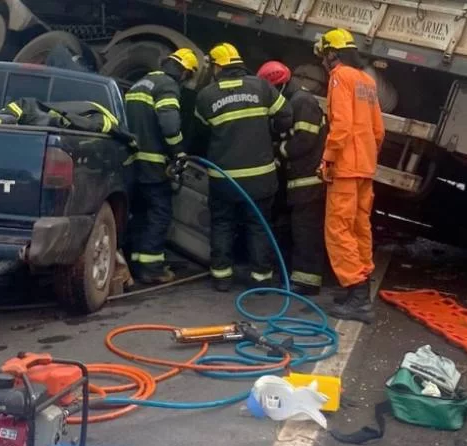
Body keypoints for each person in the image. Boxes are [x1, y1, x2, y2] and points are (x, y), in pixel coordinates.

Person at [194, 43, 293, 292]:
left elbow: (198, 135)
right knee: (258, 225)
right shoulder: (261, 87)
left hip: (224, 178)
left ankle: (222, 277)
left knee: (223, 223)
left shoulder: (207, 96)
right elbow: (286, 115)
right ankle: (261, 277)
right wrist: (269, 133)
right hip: (261, 177)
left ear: (218, 67)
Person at [315, 28, 385, 323]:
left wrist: (328, 159)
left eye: (323, 55)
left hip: (345, 167)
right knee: (359, 228)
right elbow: (379, 130)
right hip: (365, 166)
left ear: (332, 53)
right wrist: (367, 157)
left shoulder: (339, 76)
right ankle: (358, 288)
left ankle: (357, 296)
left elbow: (341, 125)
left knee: (338, 229)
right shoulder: (367, 81)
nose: (322, 61)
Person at [124, 48, 199, 283]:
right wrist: (179, 152)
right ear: (185, 71)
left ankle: (135, 261)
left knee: (139, 214)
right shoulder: (167, 86)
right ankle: (152, 268)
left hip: (131, 163)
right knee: (160, 213)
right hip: (153, 165)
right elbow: (169, 125)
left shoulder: (140, 83)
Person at [257, 61, 328, 296]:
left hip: (309, 182)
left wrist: (277, 151)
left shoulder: (303, 102)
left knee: (305, 232)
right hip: (298, 182)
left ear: (279, 85)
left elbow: (304, 141)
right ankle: (294, 275)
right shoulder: (293, 100)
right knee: (294, 229)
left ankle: (308, 282)